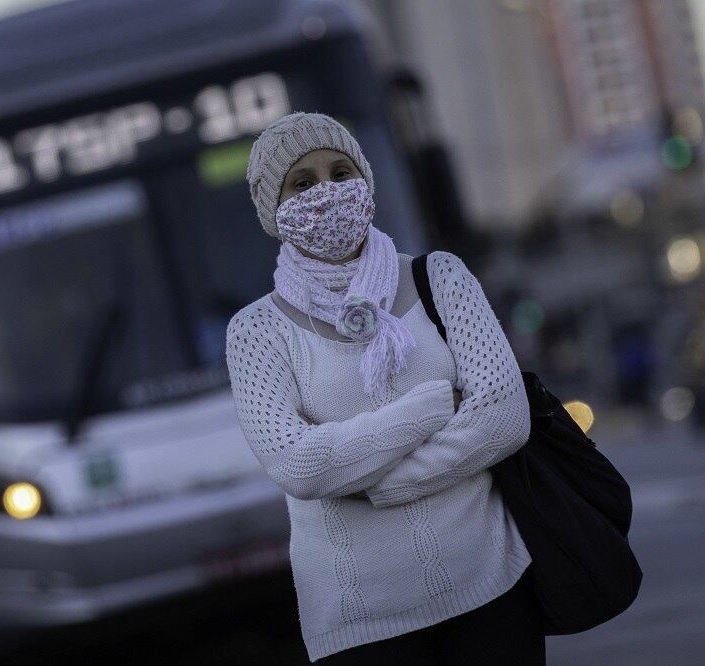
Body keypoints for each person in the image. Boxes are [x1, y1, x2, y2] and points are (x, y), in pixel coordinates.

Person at [225, 112, 542, 664]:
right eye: (302, 182)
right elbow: (300, 466)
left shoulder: (439, 278)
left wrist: (381, 483)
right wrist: (432, 406)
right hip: (361, 629)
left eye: (341, 171)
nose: (327, 192)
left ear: (365, 181)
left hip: (492, 593)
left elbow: (504, 417)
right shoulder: (255, 332)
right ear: (273, 209)